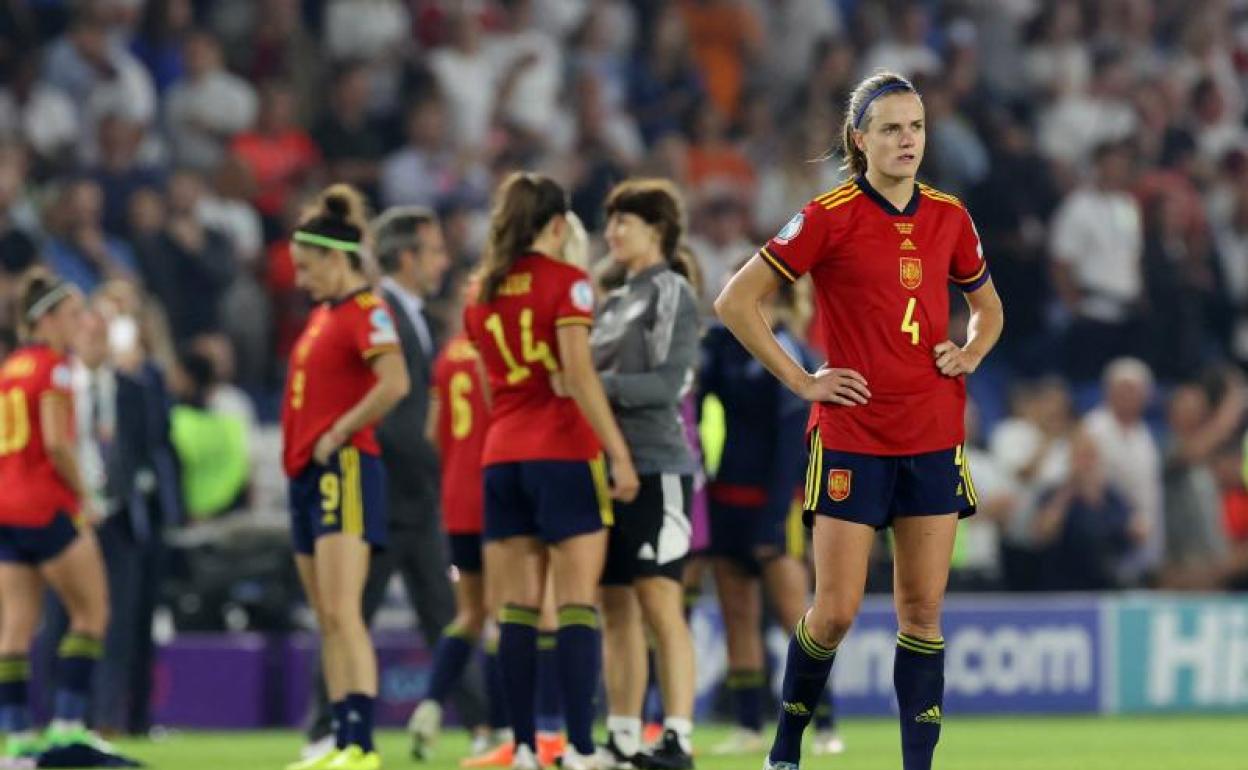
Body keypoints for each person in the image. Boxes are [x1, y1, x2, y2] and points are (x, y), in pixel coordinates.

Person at [713, 72, 1004, 770]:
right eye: (892, 129)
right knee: (836, 610)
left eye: (916, 127)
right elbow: (734, 301)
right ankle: (786, 747)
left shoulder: (949, 216)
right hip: (853, 435)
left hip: (933, 433)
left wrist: (968, 352)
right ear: (859, 139)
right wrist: (801, 379)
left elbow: (989, 309)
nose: (907, 141)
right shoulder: (827, 215)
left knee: (922, 614)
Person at [463, 172, 639, 770]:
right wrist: (617, 452)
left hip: (502, 456)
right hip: (562, 452)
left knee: (513, 609)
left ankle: (522, 747)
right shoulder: (570, 284)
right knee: (575, 606)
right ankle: (581, 749)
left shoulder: (479, 292)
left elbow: (491, 388)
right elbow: (578, 375)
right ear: (559, 224)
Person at [281, 185, 410, 770]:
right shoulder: (323, 316)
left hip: (345, 466)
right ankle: (340, 736)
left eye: (309, 268)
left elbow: (395, 383)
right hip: (306, 473)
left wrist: (340, 431)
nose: (302, 279)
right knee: (327, 615)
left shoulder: (367, 310)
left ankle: (361, 741)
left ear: (338, 259)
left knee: (344, 609)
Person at [699, 279, 840, 757]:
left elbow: (788, 447)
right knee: (737, 614)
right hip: (728, 493)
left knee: (794, 615)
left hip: (777, 500)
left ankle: (825, 724)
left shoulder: (790, 354)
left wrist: (774, 517)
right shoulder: (725, 348)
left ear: (774, 298)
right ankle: (748, 724)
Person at [0, 271, 135, 766]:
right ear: (47, 319)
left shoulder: (10, 367)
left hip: (5, 507)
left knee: (15, 627)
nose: (82, 323)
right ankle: (67, 727)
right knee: (92, 612)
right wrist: (87, 496)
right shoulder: (55, 368)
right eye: (74, 314)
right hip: (46, 504)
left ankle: (13, 742)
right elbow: (57, 443)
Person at [591, 179, 699, 770]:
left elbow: (666, 385)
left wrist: (590, 386)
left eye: (623, 223)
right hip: (611, 468)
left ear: (655, 230)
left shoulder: (672, 293)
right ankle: (624, 736)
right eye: (610, 223)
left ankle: (678, 735)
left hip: (659, 466)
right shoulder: (610, 302)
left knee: (662, 601)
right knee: (616, 607)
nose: (611, 234)